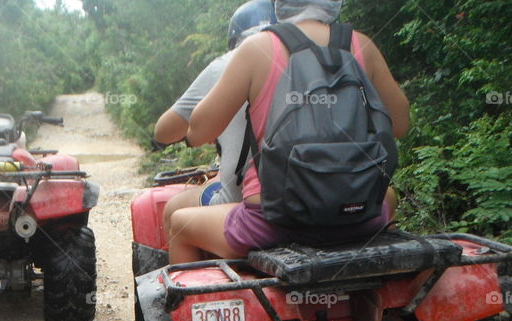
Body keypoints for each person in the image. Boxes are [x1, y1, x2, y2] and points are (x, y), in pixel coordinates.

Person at [168, 0, 410, 264]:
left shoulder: (258, 48)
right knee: (388, 196)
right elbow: (400, 125)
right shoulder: (361, 45)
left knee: (180, 223)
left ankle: (184, 303)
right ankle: (372, 301)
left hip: (272, 224)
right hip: (358, 217)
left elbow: (199, 130)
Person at [153, 1, 277, 235]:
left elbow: (164, 131)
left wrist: (192, 134)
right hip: (306, 193)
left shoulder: (228, 62)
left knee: (173, 209)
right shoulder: (303, 57)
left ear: (234, 37)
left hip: (244, 201)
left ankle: (185, 268)